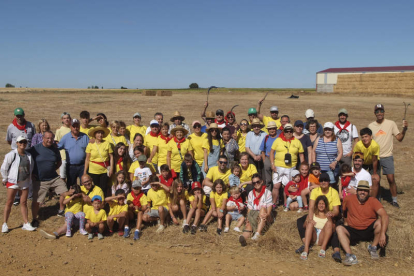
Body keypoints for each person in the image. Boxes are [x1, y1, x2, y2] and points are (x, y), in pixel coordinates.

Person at [332, 180, 389, 265]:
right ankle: (350, 255)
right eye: (360, 190)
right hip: (353, 229)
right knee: (339, 228)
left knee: (380, 222)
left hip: (369, 229)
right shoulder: (348, 199)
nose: (362, 192)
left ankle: (373, 247)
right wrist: (346, 222)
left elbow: (385, 216)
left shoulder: (373, 201)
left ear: (368, 192)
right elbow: (344, 212)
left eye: (365, 190)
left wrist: (383, 233)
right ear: (357, 191)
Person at [368, 103, 408, 208]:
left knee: (391, 179)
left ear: (384, 112)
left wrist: (404, 129)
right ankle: (377, 199)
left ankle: (394, 200)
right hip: (375, 157)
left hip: (387, 156)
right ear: (374, 113)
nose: (379, 113)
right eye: (377, 111)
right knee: (376, 179)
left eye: (381, 111)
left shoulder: (391, 124)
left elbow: (399, 138)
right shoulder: (371, 126)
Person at [295, 173, 340, 255]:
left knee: (334, 227)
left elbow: (336, 210)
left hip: (328, 214)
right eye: (321, 180)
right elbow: (311, 207)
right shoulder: (315, 191)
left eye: (325, 180)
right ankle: (305, 242)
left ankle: (333, 248)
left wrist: (332, 214)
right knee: (301, 221)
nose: (323, 182)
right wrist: (310, 218)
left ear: (329, 182)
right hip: (316, 213)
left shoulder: (334, 192)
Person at [30, 131, 68, 226]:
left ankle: (61, 210)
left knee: (65, 192)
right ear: (43, 138)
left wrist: (52, 170)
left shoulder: (55, 149)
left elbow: (59, 162)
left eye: (51, 138)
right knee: (36, 201)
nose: (49, 140)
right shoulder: (35, 149)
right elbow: (27, 160)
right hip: (40, 180)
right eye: (47, 138)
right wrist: (30, 173)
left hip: (53, 178)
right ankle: (34, 219)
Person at [1, 136, 36, 232]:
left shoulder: (28, 155)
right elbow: (4, 168)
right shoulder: (11, 154)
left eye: (24, 142)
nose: (22, 144)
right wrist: (5, 178)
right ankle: (5, 223)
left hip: (24, 182)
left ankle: (25, 223)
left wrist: (30, 180)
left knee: (23, 202)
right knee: (9, 202)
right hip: (13, 181)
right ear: (17, 143)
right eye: (20, 142)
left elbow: (31, 167)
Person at [270, 123, 304, 206]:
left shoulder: (297, 141)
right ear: (283, 132)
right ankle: (274, 203)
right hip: (278, 167)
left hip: (291, 167)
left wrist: (302, 166)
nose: (288, 133)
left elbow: (301, 154)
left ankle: (286, 203)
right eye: (286, 131)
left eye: (290, 131)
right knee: (276, 186)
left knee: (288, 186)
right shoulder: (278, 140)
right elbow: (271, 152)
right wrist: (272, 164)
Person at [239, 174, 273, 246]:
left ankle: (258, 233)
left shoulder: (267, 192)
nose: (256, 184)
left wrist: (268, 214)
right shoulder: (251, 193)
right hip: (254, 213)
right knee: (249, 225)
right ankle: (243, 238)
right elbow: (250, 208)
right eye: (254, 183)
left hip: (264, 215)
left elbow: (269, 205)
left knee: (263, 209)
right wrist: (248, 218)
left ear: (262, 182)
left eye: (258, 182)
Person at [58, 119, 89, 189]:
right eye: (73, 126)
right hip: (71, 166)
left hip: (82, 166)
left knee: (84, 184)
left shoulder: (85, 137)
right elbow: (58, 147)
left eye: (77, 126)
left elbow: (90, 148)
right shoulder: (65, 138)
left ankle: (84, 199)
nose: (75, 128)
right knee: (71, 185)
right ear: (70, 127)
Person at [300, 195, 332, 260]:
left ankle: (323, 248)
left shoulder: (328, 215)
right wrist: (308, 221)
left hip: (322, 236)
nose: (321, 205)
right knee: (310, 224)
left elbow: (332, 229)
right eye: (319, 204)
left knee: (329, 223)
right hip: (313, 235)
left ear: (325, 205)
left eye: (323, 204)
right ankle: (306, 249)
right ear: (317, 205)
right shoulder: (312, 214)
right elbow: (304, 226)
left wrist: (330, 220)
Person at [84, 126, 114, 196]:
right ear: (95, 134)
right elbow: (87, 159)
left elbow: (111, 157)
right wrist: (85, 171)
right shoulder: (90, 145)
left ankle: (103, 203)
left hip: (104, 170)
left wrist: (111, 168)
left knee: (103, 188)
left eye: (101, 133)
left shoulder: (107, 143)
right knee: (94, 188)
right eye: (98, 133)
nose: (100, 135)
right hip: (93, 171)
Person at [353, 127, 380, 197]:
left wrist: (374, 173)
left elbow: (374, 160)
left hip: (372, 162)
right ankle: (360, 195)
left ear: (371, 137)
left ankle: (374, 198)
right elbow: (357, 158)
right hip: (362, 162)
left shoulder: (375, 146)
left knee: (375, 180)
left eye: (366, 136)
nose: (364, 139)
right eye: (362, 137)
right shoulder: (359, 145)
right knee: (360, 177)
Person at [260, 121, 278, 190]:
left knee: (277, 179)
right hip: (267, 158)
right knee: (268, 179)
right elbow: (262, 150)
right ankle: (268, 193)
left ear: (276, 129)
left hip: (277, 159)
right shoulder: (266, 138)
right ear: (268, 130)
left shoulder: (279, 138)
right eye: (270, 129)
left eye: (273, 128)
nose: (272, 130)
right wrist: (264, 160)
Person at [55, 112, 72, 180]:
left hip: (72, 157)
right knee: (63, 176)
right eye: (64, 118)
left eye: (68, 118)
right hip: (63, 156)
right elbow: (57, 142)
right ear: (62, 120)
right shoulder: (59, 130)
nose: (66, 120)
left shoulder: (72, 129)